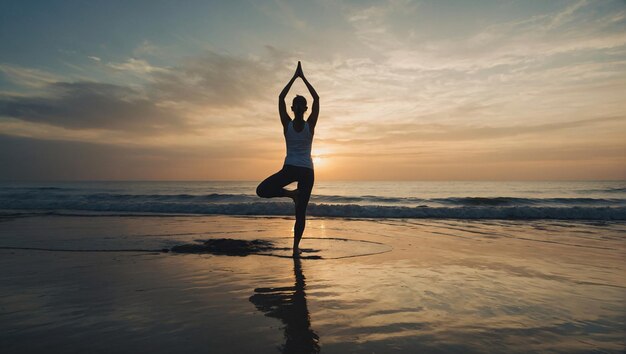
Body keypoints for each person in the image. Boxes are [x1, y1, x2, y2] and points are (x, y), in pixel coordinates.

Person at [256, 61, 319, 257]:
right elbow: (280, 97)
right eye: (296, 103)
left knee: (301, 213)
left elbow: (317, 98)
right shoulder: (287, 124)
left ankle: (295, 248)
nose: (299, 105)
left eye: (302, 103)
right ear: (293, 108)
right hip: (290, 168)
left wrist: (303, 77)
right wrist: (294, 77)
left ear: (305, 108)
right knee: (262, 190)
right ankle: (292, 195)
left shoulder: (310, 125)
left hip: (307, 171)